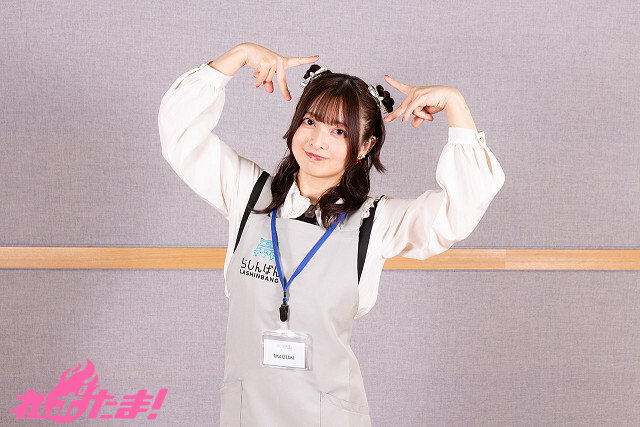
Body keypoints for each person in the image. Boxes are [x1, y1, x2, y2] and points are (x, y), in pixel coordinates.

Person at [158, 42, 505, 426]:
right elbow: (179, 135)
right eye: (310, 122)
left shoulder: (376, 222)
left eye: (339, 131)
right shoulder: (248, 194)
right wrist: (238, 55)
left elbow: (459, 210)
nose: (318, 141)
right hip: (246, 414)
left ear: (365, 147)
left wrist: (455, 103)